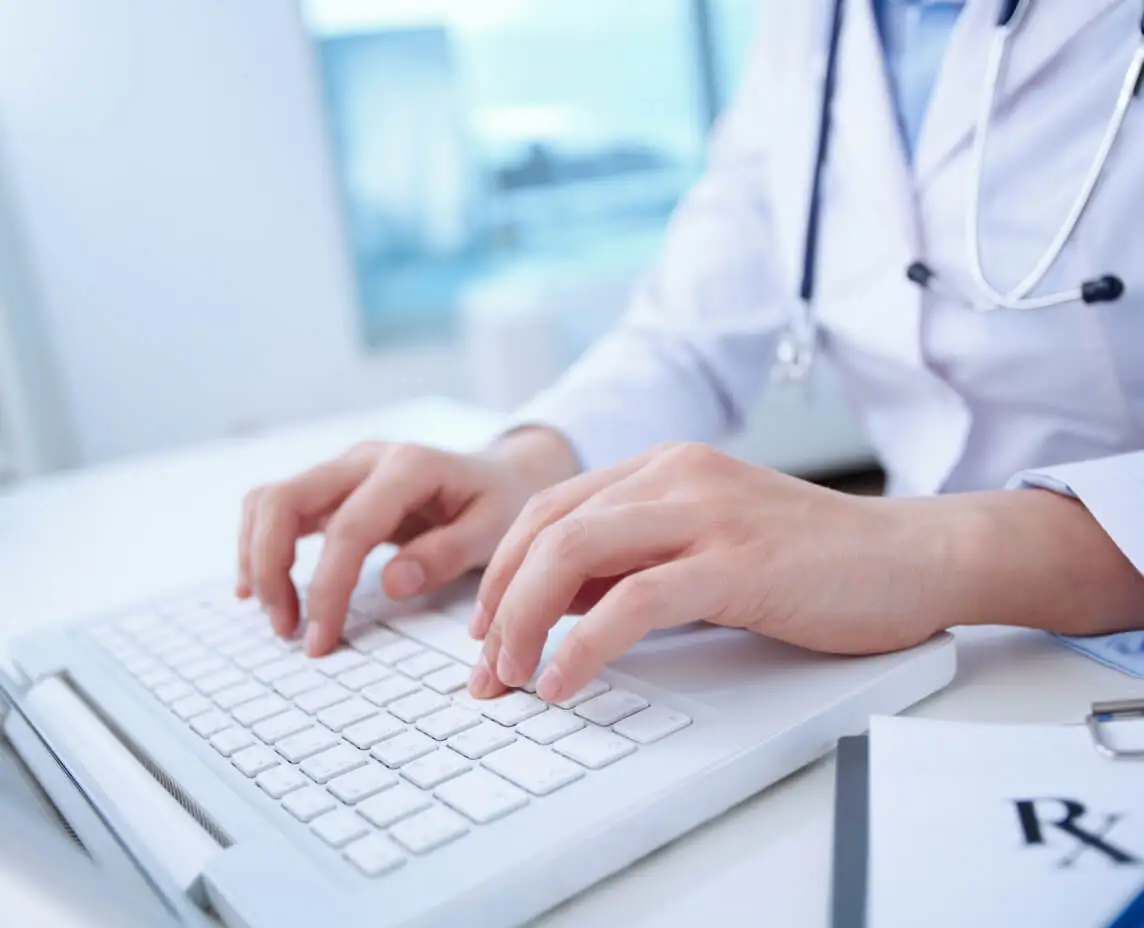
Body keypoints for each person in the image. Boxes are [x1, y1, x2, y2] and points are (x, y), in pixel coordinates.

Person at [237, 0, 1144, 705]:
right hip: (938, 652)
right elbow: (691, 331)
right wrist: (524, 470)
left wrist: (924, 553)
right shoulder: (818, 23)